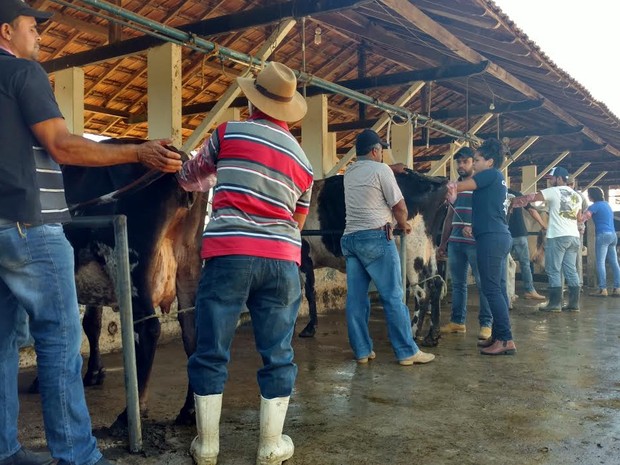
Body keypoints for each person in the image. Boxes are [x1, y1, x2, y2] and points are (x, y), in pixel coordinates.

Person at [0, 2, 182, 465]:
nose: (38, 37)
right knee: (60, 340)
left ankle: (6, 447)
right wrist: (137, 152)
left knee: (1, 343)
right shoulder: (24, 74)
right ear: (6, 32)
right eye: (31, 28)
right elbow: (62, 145)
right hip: (32, 227)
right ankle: (78, 454)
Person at [178, 62, 314, 465]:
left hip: (229, 255)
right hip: (281, 263)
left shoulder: (227, 133)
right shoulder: (304, 163)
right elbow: (298, 221)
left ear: (253, 100)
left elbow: (191, 176)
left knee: (210, 349)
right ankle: (270, 445)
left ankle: (207, 446)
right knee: (278, 353)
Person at [339, 129, 435, 366]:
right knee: (393, 296)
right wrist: (404, 225)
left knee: (356, 299)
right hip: (376, 238)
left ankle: (361, 351)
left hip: (350, 240)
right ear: (375, 151)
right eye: (381, 149)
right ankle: (406, 351)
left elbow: (369, 174)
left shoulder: (349, 172)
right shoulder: (381, 170)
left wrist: (391, 169)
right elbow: (400, 207)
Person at [446, 138, 515, 355]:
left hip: (492, 238)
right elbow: (489, 210)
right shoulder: (496, 179)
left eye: (476, 160)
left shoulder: (490, 174)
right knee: (497, 289)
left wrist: (450, 187)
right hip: (495, 235)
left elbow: (459, 185)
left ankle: (505, 339)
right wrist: (473, 228)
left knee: (491, 289)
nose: (473, 164)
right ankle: (498, 334)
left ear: (490, 161)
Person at [438, 147, 493, 340]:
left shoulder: (481, 186)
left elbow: (488, 213)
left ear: (474, 163)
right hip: (455, 242)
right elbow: (450, 215)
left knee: (482, 283)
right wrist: (443, 242)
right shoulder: (454, 187)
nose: (461, 165)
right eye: (458, 162)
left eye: (466, 161)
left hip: (476, 242)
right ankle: (457, 322)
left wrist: (475, 227)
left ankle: (486, 324)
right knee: (458, 284)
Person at [512, 167, 582, 312]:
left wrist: (516, 200)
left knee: (553, 269)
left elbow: (533, 198)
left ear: (560, 179)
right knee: (571, 270)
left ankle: (555, 304)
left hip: (558, 236)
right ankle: (574, 303)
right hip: (573, 236)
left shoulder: (553, 191)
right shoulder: (577, 196)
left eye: (552, 178)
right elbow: (578, 217)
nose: (550, 181)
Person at [507, 188, 547, 300]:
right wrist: (543, 225)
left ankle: (508, 292)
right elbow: (532, 210)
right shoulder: (517, 194)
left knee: (504, 265)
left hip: (504, 234)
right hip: (520, 233)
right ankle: (529, 290)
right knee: (525, 264)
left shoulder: (496, 194)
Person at [582, 187, 620, 297]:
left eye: (589, 195)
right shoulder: (607, 205)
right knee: (614, 262)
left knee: (600, 262)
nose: (588, 197)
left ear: (592, 196)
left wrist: (578, 219)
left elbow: (586, 217)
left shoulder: (594, 206)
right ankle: (617, 288)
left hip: (602, 235)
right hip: (613, 236)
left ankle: (602, 289)